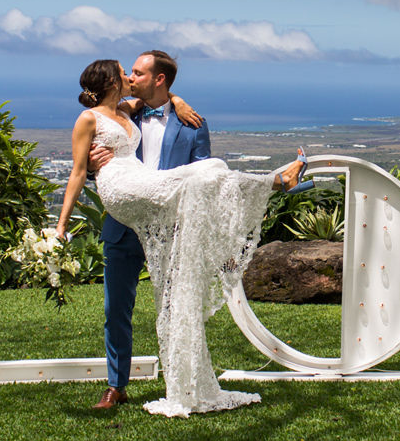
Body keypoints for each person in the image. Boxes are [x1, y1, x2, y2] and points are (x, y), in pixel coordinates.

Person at [55, 54, 304, 416]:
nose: (131, 77)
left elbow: (205, 178)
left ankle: (186, 380)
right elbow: (86, 160)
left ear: (159, 80)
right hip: (124, 217)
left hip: (170, 222)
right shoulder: (127, 110)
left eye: (138, 73)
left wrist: (177, 101)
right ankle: (115, 386)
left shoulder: (191, 122)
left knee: (175, 298)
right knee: (116, 308)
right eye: (128, 73)